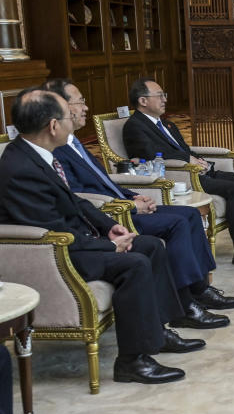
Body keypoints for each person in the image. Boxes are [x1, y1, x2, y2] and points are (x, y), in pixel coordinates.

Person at [0, 88, 203, 384]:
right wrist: (106, 245)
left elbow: (76, 201)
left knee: (151, 246)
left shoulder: (37, 154)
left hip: (73, 240)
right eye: (68, 116)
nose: (73, 120)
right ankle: (133, 361)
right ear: (53, 126)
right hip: (54, 254)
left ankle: (158, 332)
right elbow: (53, 230)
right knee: (134, 263)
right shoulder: (18, 168)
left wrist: (108, 225)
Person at [44, 78, 234, 316]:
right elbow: (80, 195)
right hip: (112, 215)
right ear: (61, 107)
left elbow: (104, 181)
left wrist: (134, 194)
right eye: (81, 102)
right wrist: (130, 205)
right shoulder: (57, 150)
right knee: (177, 223)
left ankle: (200, 289)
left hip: (125, 202)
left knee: (189, 214)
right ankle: (186, 305)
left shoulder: (74, 143)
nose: (86, 107)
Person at [122, 79, 234, 268]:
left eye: (164, 95)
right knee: (233, 189)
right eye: (159, 95)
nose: (164, 99)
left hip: (199, 171)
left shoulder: (166, 124)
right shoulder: (134, 126)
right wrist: (187, 160)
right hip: (179, 177)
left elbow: (184, 148)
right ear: (143, 101)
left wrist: (200, 160)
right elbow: (149, 154)